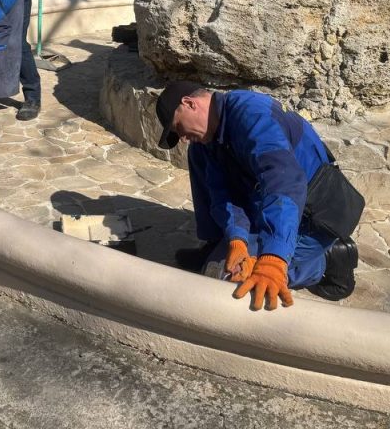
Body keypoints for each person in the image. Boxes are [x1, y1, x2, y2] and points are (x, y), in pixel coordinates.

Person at [155, 81, 362, 311]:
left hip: (314, 214)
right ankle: (216, 243)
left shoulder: (253, 116)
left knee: (250, 279)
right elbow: (222, 191)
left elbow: (284, 184)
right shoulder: (211, 134)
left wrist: (274, 258)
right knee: (197, 152)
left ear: (189, 103)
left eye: (178, 127)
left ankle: (328, 259)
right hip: (271, 199)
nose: (182, 138)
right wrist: (236, 238)